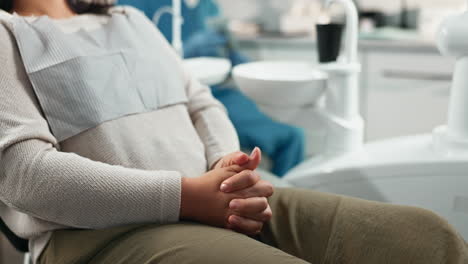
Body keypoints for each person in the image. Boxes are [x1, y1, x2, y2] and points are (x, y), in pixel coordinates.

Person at [0, 0, 466, 264]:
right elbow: (28, 176)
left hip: (212, 201)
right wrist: (187, 196)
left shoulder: (129, 20)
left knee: (427, 237)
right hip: (99, 236)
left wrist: (224, 171)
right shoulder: (6, 34)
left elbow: (201, 101)